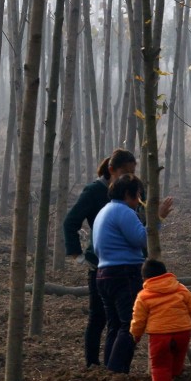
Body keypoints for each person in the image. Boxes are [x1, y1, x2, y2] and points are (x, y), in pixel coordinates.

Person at [61, 149, 138, 367]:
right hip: (101, 264)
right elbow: (70, 222)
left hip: (125, 264)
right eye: (125, 172)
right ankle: (92, 365)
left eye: (132, 172)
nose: (129, 177)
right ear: (111, 170)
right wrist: (77, 255)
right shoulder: (95, 192)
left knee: (117, 320)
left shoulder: (130, 192)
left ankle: (109, 365)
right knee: (99, 318)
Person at [93, 174, 174, 374]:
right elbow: (142, 239)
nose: (140, 199)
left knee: (114, 325)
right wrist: (159, 219)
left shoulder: (104, 211)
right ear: (129, 194)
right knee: (130, 324)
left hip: (103, 273)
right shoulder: (124, 211)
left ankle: (110, 371)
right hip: (124, 273)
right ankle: (118, 370)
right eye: (138, 194)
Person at [130, 259, 191, 381]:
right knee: (178, 357)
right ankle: (176, 379)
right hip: (183, 332)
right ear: (166, 273)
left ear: (144, 278)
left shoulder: (143, 296)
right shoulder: (181, 289)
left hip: (159, 335)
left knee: (160, 365)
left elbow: (139, 319)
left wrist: (136, 334)